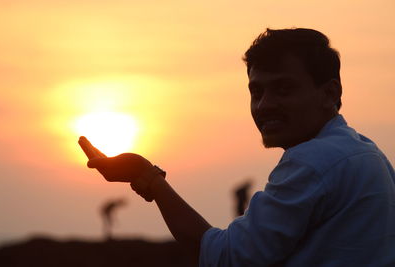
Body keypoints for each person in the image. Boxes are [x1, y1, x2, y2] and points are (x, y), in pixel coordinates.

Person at [80, 28, 395, 266]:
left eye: (283, 89)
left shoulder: (314, 161)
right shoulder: (367, 153)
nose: (265, 105)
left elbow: (225, 257)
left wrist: (147, 176)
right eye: (256, 91)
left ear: (330, 93)